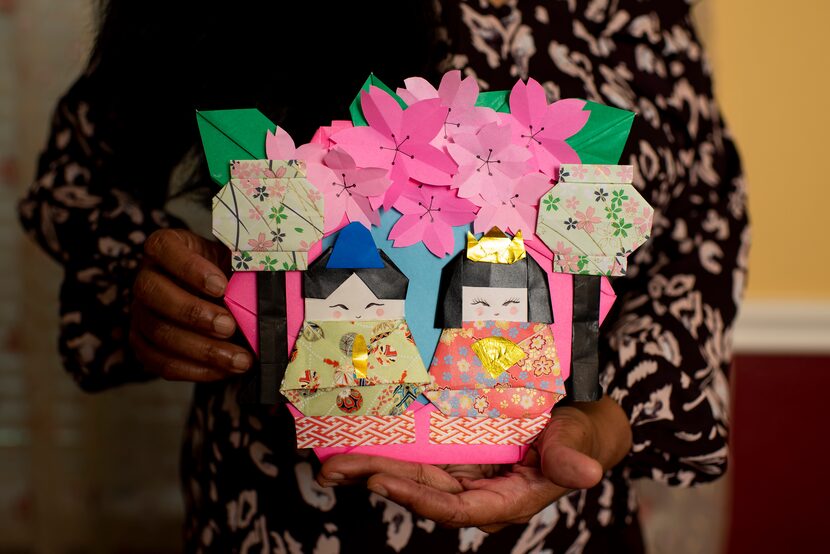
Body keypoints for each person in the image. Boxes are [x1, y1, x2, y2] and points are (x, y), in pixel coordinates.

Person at [19, 0, 748, 551]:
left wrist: (606, 421)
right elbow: (81, 185)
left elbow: (701, 231)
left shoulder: (629, 13)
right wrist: (150, 287)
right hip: (277, 516)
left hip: (561, 522)